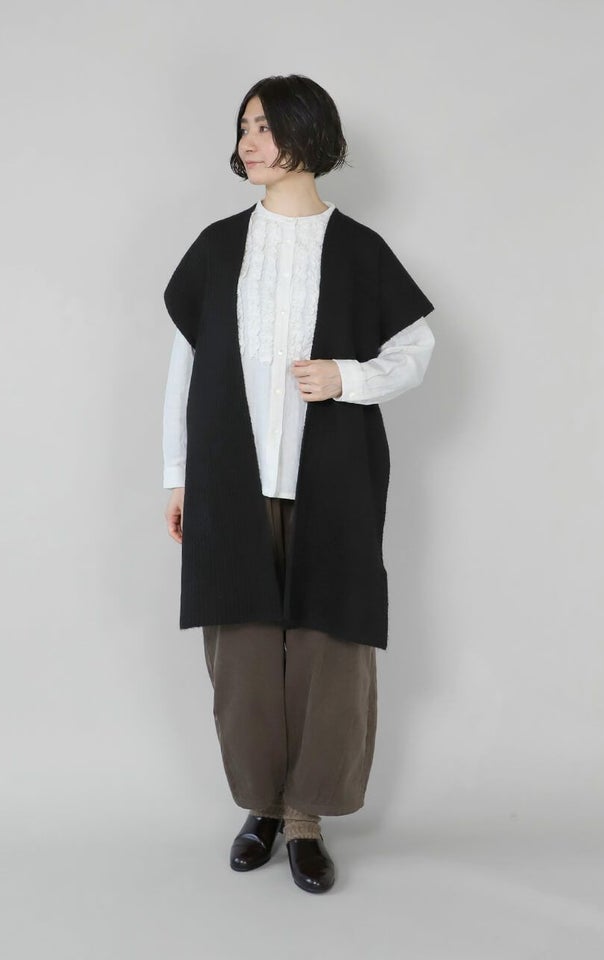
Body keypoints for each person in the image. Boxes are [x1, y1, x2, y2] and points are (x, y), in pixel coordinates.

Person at [162, 74, 436, 894]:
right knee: (241, 659)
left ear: (310, 136)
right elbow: (184, 369)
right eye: (244, 126)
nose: (249, 142)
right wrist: (176, 476)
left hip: (334, 484)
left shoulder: (358, 249)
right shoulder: (218, 247)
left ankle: (308, 818)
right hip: (229, 485)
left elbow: (416, 351)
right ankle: (263, 809)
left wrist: (347, 378)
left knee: (331, 650)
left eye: (266, 127)